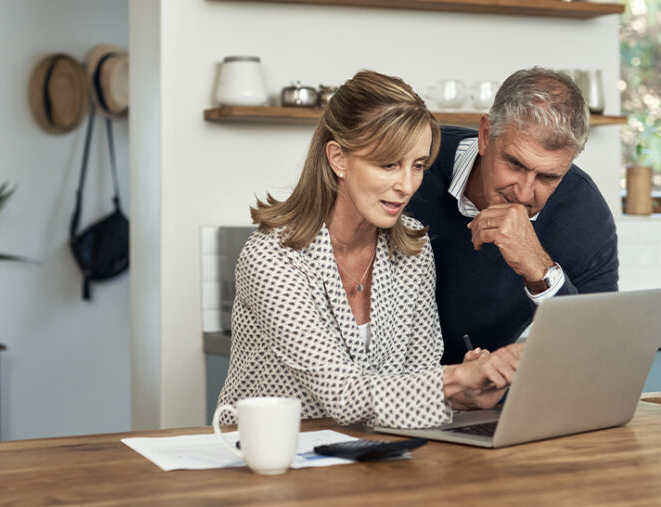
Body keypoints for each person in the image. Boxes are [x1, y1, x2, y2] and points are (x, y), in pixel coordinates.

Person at [217, 70, 523, 429]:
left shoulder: (413, 251)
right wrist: (457, 378)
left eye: (418, 166)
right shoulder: (272, 258)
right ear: (338, 159)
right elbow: (342, 394)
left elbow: (415, 377)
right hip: (269, 458)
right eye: (388, 164)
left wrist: (462, 396)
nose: (407, 185)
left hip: (370, 457)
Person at [407, 67, 619, 365]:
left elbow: (597, 351)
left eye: (547, 177)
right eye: (515, 164)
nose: (523, 192)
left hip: (484, 396)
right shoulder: (415, 164)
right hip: (384, 390)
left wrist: (541, 271)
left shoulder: (584, 214)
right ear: (485, 135)